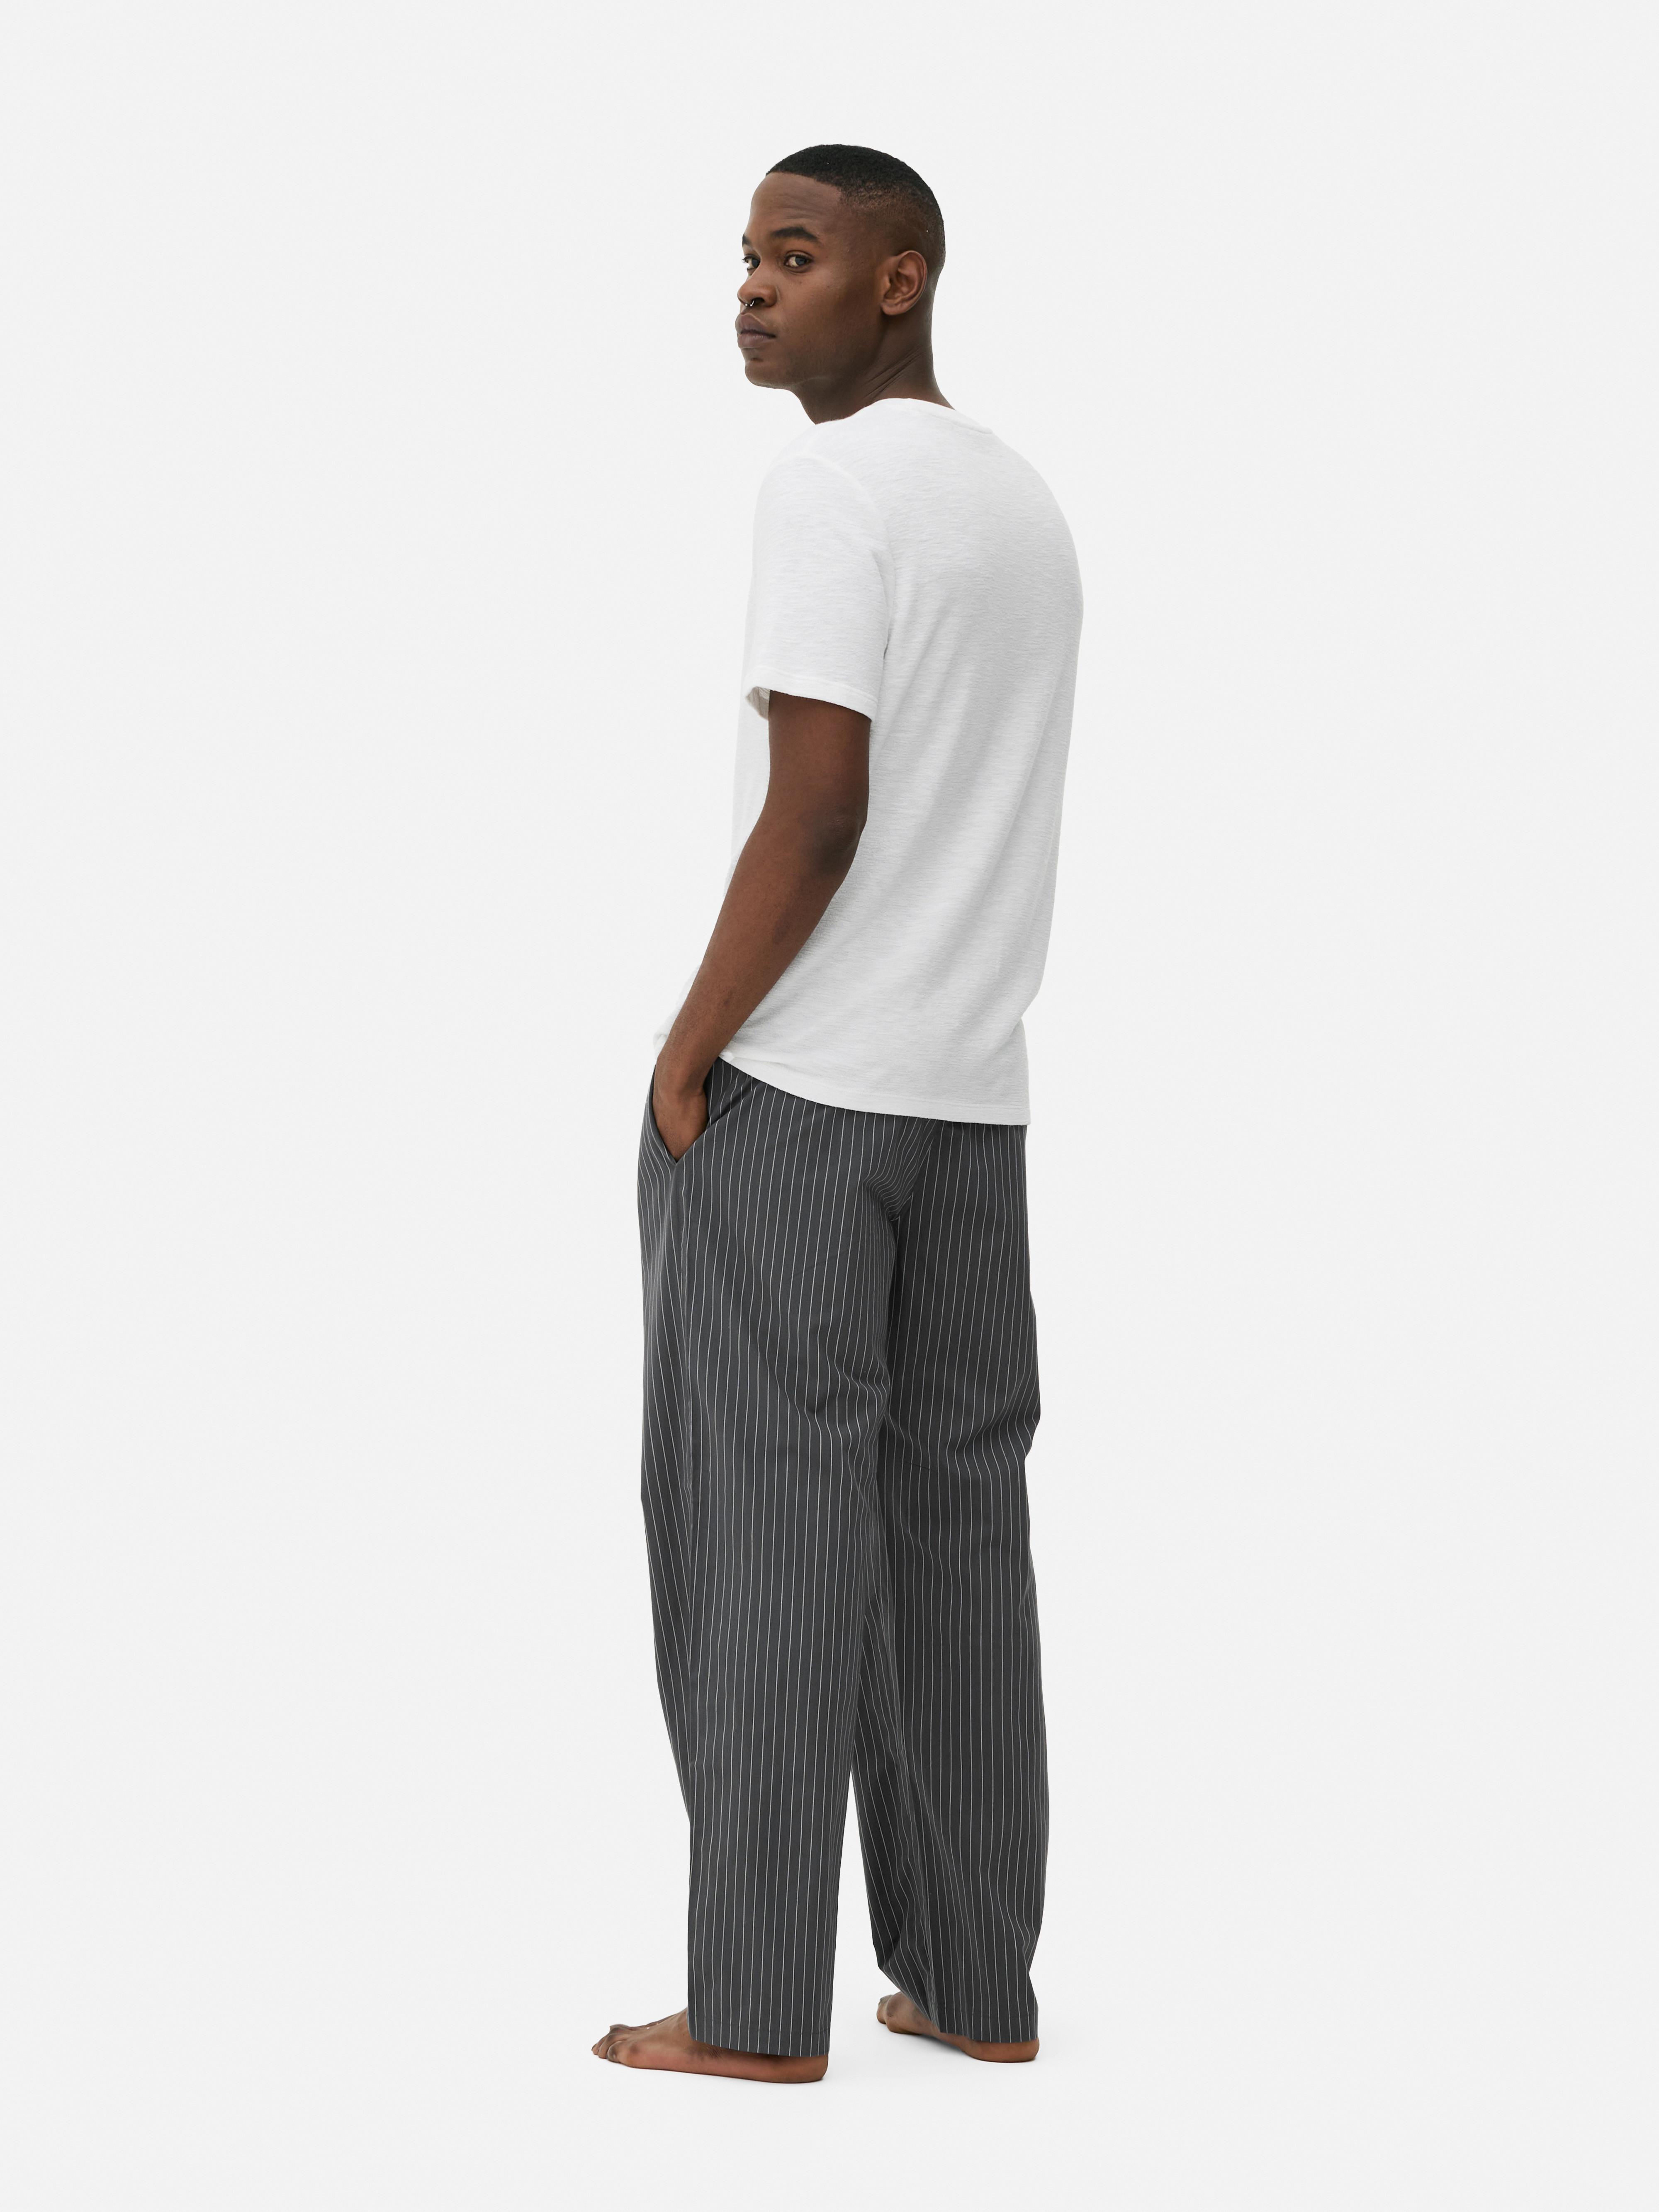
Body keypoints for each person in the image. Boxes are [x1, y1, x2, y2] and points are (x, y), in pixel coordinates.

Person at [593, 144, 1082, 2084]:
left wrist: (688, 1044)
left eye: (794, 255)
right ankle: (974, 1980)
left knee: (765, 1544)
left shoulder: (831, 485)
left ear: (902, 277)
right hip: (972, 1101)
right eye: (745, 256)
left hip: (802, 1096)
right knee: (957, 1534)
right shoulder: (1019, 501)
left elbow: (818, 808)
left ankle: (752, 2006)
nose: (751, 286)